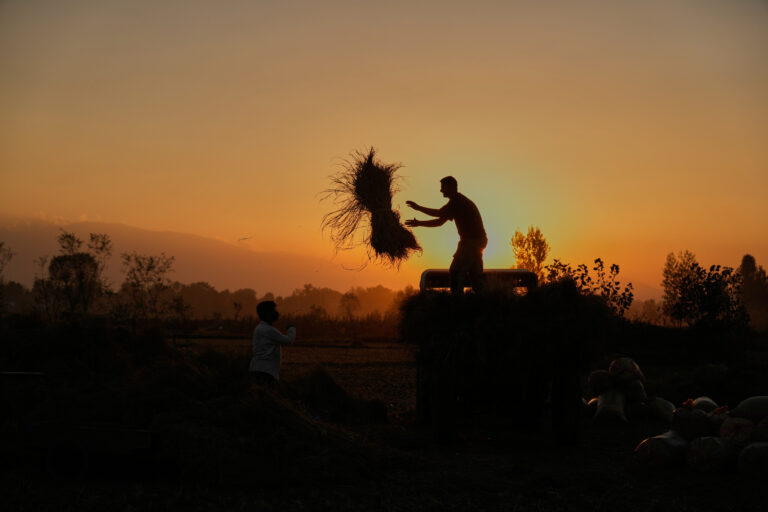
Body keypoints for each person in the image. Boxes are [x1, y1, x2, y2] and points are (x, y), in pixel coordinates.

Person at [405, 176, 488, 294]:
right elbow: (439, 222)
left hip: (470, 242)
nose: (441, 190)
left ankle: (456, 303)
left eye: (443, 187)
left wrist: (418, 208)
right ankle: (489, 300)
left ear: (451, 187)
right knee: (475, 278)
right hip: (479, 241)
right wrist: (419, 223)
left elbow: (439, 214)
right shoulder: (459, 201)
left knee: (456, 272)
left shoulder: (457, 202)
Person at [249, 300, 296, 388]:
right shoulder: (268, 330)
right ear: (267, 313)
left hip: (257, 368)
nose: (276, 313)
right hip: (266, 371)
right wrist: (291, 328)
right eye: (273, 310)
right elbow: (288, 341)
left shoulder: (259, 328)